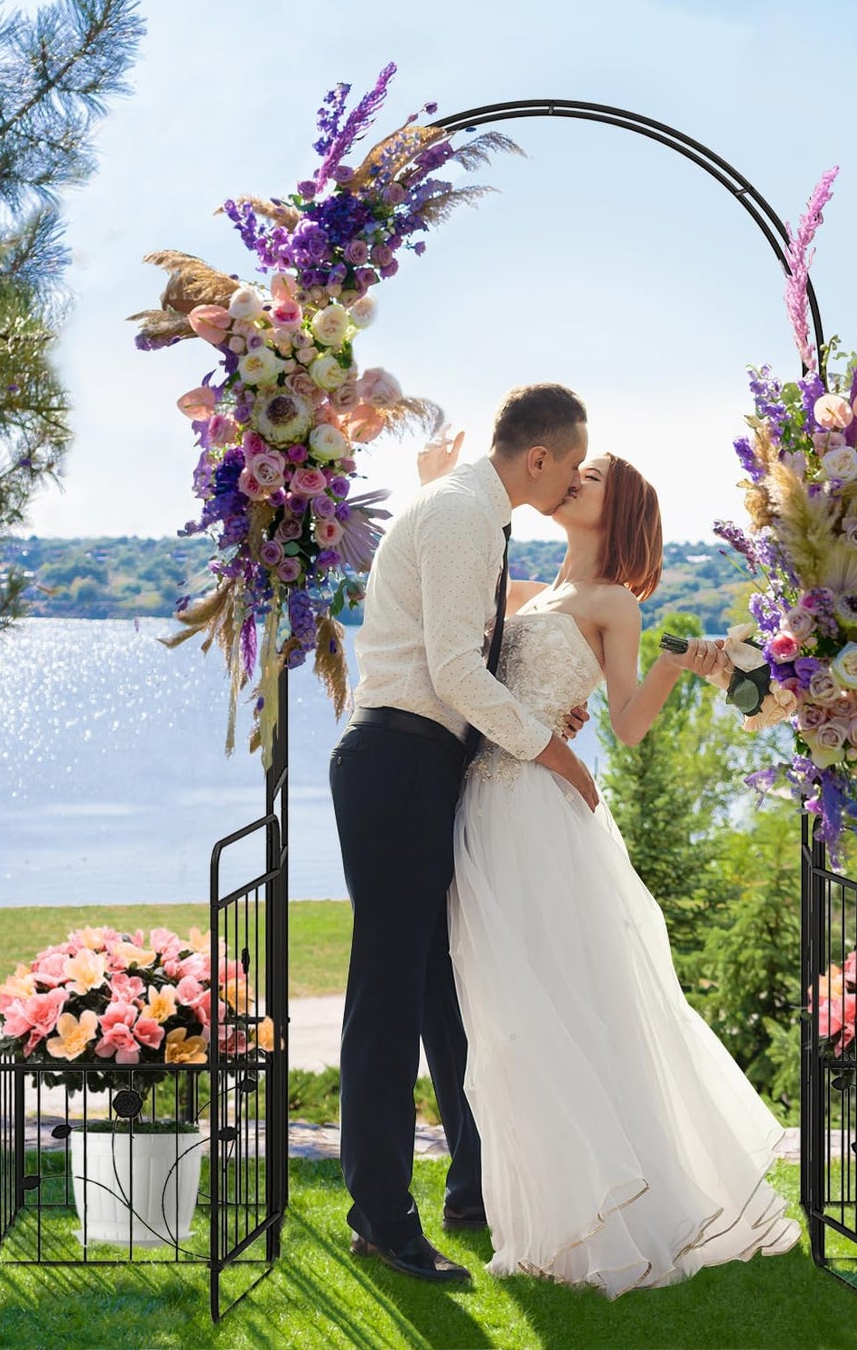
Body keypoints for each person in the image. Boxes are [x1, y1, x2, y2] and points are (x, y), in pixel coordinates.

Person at [422, 439, 802, 1296]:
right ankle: (540, 1215)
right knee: (505, 1017)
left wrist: (670, 663)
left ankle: (620, 1215)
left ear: (616, 506)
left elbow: (625, 726)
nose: (569, 478)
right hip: (481, 803)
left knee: (557, 1006)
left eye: (588, 477)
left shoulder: (611, 603)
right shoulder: (533, 590)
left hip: (541, 817)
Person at [329, 383, 597, 1287]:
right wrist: (549, 750)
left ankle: (455, 1193)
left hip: (418, 765)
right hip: (396, 760)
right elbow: (449, 667)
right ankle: (383, 1218)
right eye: (571, 464)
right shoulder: (457, 515)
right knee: (390, 998)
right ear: (538, 459)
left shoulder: (478, 513)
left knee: (431, 989)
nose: (573, 480)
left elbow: (476, 652)